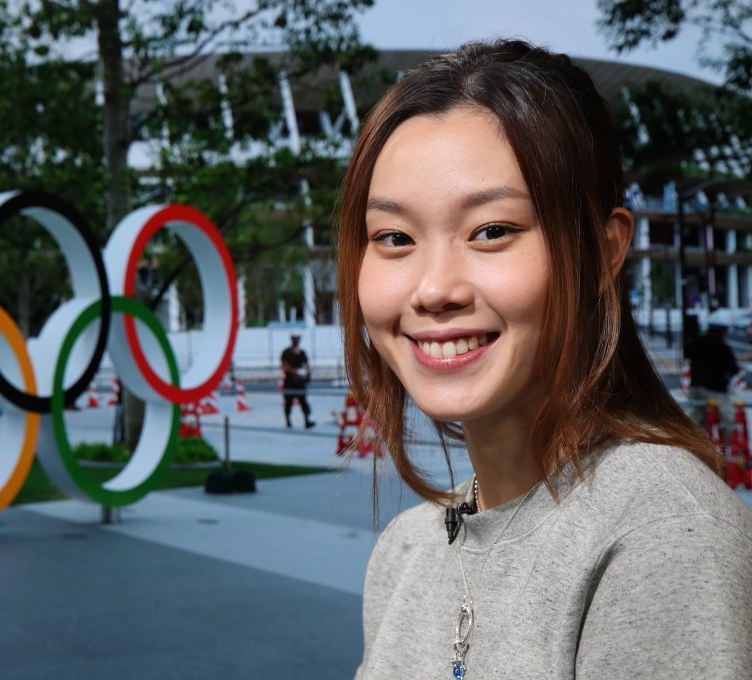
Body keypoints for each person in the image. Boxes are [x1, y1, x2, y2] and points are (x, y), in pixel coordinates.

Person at [335, 39, 752, 678]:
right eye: (394, 237)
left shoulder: (659, 535)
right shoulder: (405, 551)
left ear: (604, 251)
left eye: (492, 231)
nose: (434, 289)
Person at [686, 320, 741, 434]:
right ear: (720, 331)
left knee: (698, 420)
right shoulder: (723, 347)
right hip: (715, 389)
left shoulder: (696, 343)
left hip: (695, 387)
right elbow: (734, 369)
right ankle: (727, 444)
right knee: (726, 420)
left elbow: (687, 354)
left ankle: (699, 444)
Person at [281, 333, 315, 428]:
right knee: (288, 402)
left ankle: (307, 420)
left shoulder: (302, 352)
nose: (296, 341)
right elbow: (284, 364)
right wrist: (293, 371)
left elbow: (306, 364)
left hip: (300, 381)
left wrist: (308, 372)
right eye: (295, 339)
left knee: (303, 401)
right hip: (290, 381)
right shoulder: (287, 352)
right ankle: (288, 420)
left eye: (298, 339)